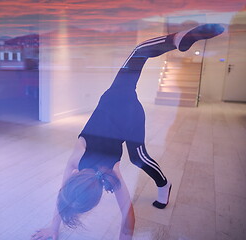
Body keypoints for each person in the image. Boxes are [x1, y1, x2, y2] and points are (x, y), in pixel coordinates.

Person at [31, 24, 224, 240]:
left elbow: (126, 218)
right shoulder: (83, 162)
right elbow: (65, 196)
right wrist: (54, 228)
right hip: (125, 111)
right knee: (138, 157)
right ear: (74, 177)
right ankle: (165, 184)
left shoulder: (109, 171)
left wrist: (54, 229)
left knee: (137, 157)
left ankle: (179, 39)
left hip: (118, 101)